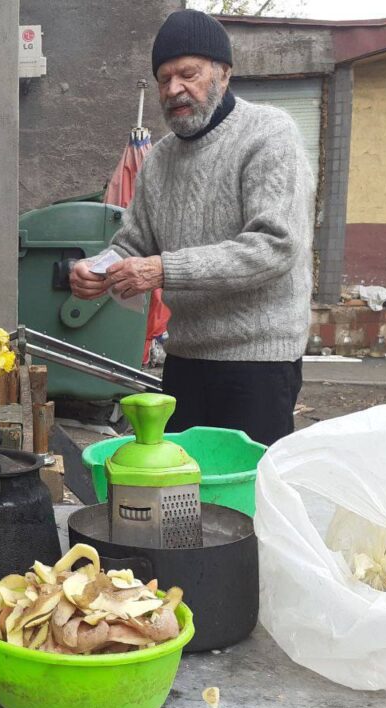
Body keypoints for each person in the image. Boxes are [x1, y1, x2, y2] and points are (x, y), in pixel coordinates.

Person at [70, 9, 314, 446]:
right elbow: (132, 244)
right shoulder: (158, 160)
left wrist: (163, 270)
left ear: (224, 73)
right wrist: (98, 269)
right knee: (180, 481)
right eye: (164, 79)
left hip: (257, 361)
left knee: (246, 485)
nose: (174, 89)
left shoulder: (269, 134)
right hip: (184, 356)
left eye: (188, 74)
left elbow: (274, 246)